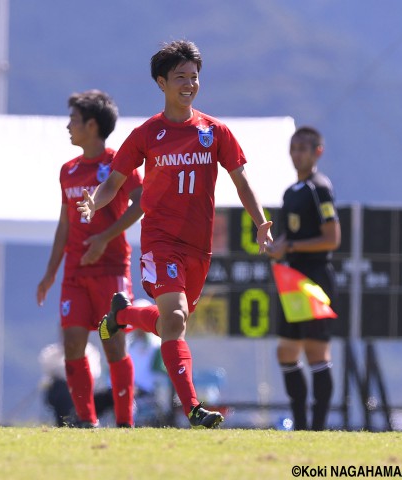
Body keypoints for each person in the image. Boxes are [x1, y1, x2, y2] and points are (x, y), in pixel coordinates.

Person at [77, 40, 273, 429]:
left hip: (199, 248)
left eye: (194, 76)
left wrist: (260, 221)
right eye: (180, 77)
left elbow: (242, 180)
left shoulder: (215, 131)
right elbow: (114, 181)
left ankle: (123, 314)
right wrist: (95, 203)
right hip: (160, 242)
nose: (189, 84)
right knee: (177, 317)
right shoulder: (147, 134)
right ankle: (193, 409)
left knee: (171, 324)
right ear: (161, 83)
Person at [36, 90, 143, 428]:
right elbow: (64, 224)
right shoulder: (67, 170)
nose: (68, 126)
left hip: (111, 270)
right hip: (74, 275)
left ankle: (125, 423)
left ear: (92, 125)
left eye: (74, 121)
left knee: (112, 346)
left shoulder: (118, 164)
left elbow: (142, 204)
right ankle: (87, 421)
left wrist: (104, 238)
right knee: (72, 346)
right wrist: (50, 273)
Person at [265, 126, 341, 431]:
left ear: (317, 152)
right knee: (286, 351)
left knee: (315, 351)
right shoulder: (290, 192)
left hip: (315, 279)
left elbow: (332, 237)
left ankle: (318, 428)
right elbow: (289, 235)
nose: (296, 154)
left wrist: (292, 246)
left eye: (303, 149)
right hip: (292, 278)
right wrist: (276, 245)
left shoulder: (319, 188)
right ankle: (299, 424)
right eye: (293, 148)